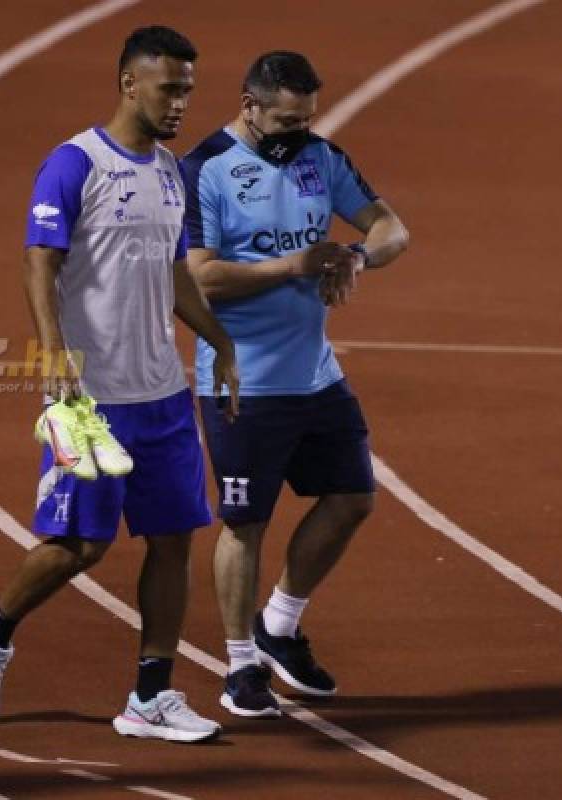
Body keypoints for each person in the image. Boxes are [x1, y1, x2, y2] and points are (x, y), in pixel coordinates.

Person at [0, 26, 239, 743]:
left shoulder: (171, 172)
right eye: (170, 88)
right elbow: (37, 263)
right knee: (79, 545)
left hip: (162, 394)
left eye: (188, 91)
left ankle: (151, 696)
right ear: (129, 84)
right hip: (89, 397)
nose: (181, 103)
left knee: (174, 539)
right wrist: (53, 354)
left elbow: (174, 272)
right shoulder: (73, 164)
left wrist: (220, 341)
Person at [180, 51, 409, 717]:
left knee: (352, 499)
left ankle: (277, 627)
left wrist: (358, 256)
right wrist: (292, 266)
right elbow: (196, 276)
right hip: (242, 380)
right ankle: (239, 667)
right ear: (249, 106)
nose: (297, 132)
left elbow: (393, 228)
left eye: (307, 119)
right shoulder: (206, 171)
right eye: (285, 120)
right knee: (245, 523)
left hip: (315, 373)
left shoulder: (320, 158)